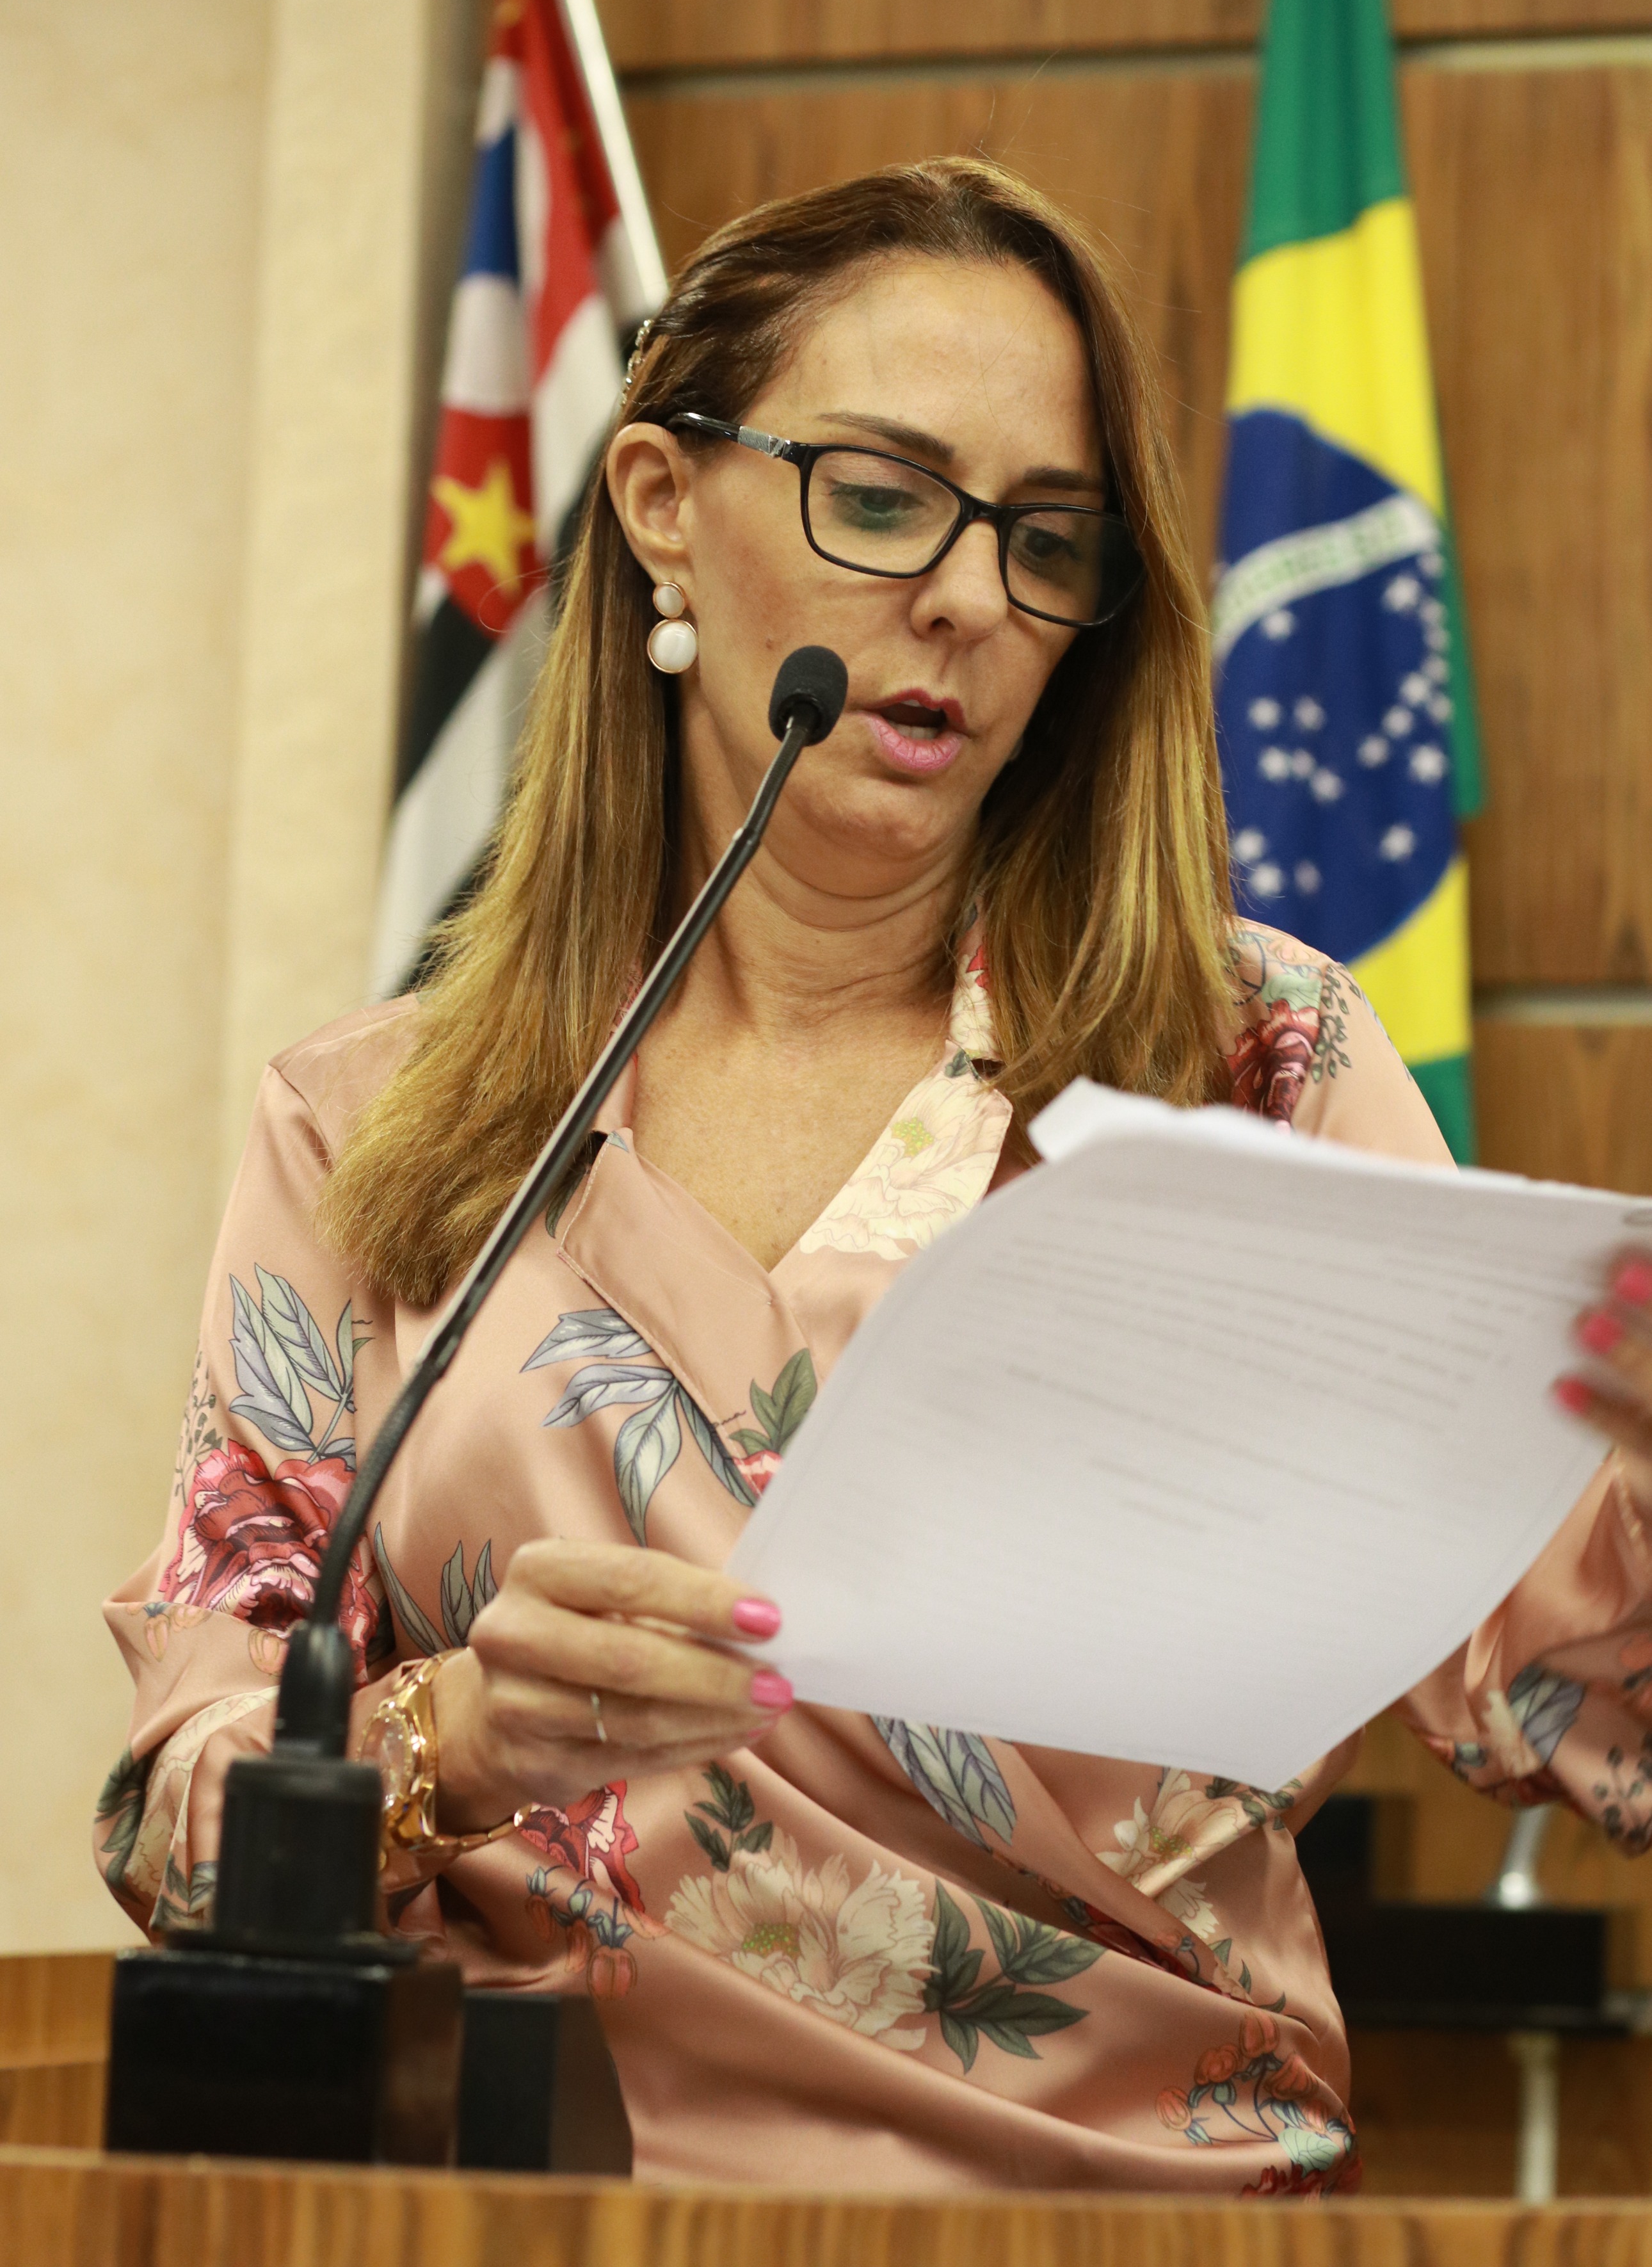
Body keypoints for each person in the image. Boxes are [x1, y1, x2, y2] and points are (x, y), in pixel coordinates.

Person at [95, 157, 1652, 2195]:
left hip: (1128, 2218)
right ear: (662, 501)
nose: (970, 599)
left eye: (1046, 540)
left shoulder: (1248, 1061)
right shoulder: (370, 1128)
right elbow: (174, 1834)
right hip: (530, 2212)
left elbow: (1572, 1703)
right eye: (887, 496)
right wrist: (459, 1736)